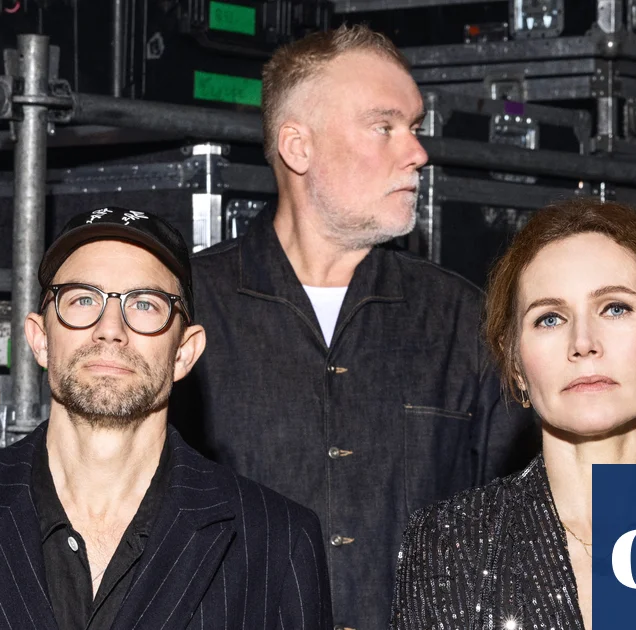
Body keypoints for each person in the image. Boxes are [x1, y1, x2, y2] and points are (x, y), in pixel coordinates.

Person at [180, 25, 537, 628]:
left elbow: (520, 529)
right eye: (384, 126)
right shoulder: (188, 309)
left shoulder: (463, 318)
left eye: (415, 127)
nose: (418, 152)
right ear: (298, 147)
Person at [0, 208, 331, 629]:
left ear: (184, 352)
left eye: (144, 304)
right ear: (40, 340)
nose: (110, 329)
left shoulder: (277, 540)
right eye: (83, 299)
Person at [390, 199, 636, 629]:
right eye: (550, 318)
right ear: (515, 362)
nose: (583, 343)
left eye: (615, 308)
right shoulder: (448, 544)